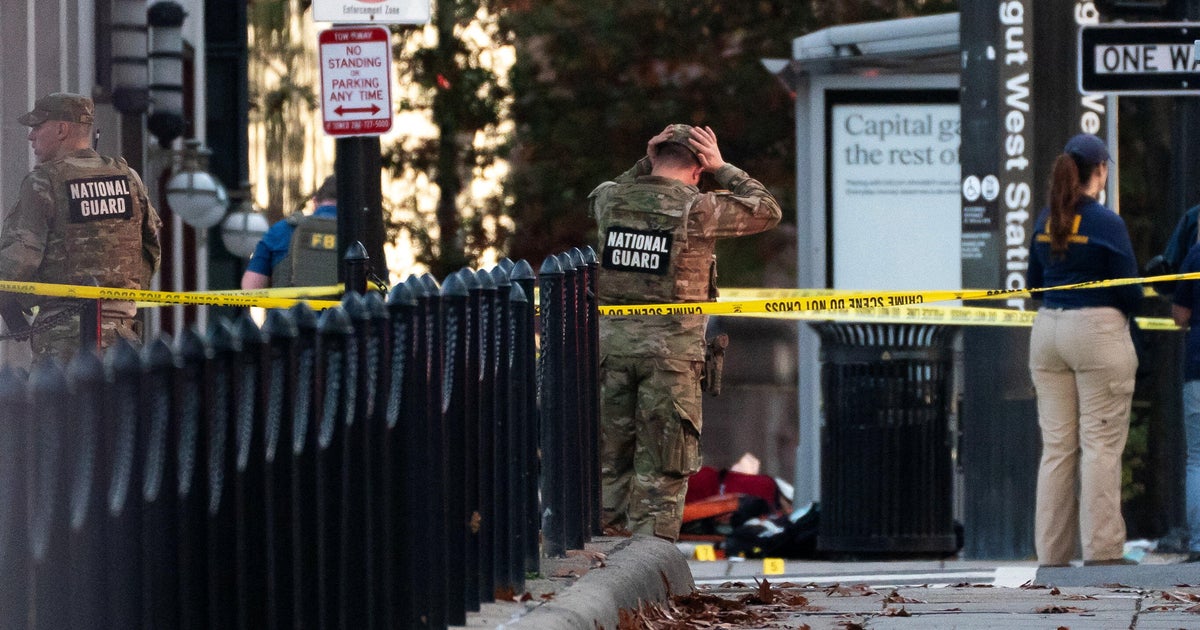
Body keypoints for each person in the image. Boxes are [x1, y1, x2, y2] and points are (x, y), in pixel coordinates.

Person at [590, 124, 782, 541]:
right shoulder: (698, 209)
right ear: (698, 170)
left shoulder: (608, 199)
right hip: (671, 360)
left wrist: (648, 160)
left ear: (654, 155)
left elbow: (628, 183)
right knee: (663, 467)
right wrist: (723, 166)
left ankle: (602, 560)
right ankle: (649, 563)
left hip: (610, 353)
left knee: (608, 463)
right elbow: (766, 209)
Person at [1027, 133, 1141, 567]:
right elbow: (1127, 290)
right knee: (1100, 446)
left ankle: (1051, 555)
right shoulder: (1107, 223)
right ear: (1100, 171)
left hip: (1048, 332)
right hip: (1096, 333)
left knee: (1057, 448)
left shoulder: (1046, 217)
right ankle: (1103, 552)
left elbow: (1034, 280)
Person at [0, 92, 162, 362]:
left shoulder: (43, 182)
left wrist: (9, 302)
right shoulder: (128, 178)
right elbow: (150, 250)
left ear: (62, 129)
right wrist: (120, 296)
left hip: (63, 342)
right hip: (123, 338)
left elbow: (18, 261)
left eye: (38, 127)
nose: (31, 136)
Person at [241, 175, 338, 289]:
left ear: (315, 202)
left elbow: (251, 288)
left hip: (289, 307)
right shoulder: (360, 232)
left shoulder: (283, 229)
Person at [1170, 245, 1200, 563]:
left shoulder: (1195, 254)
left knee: (1197, 459)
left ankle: (1198, 544)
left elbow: (1180, 315)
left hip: (1197, 364)